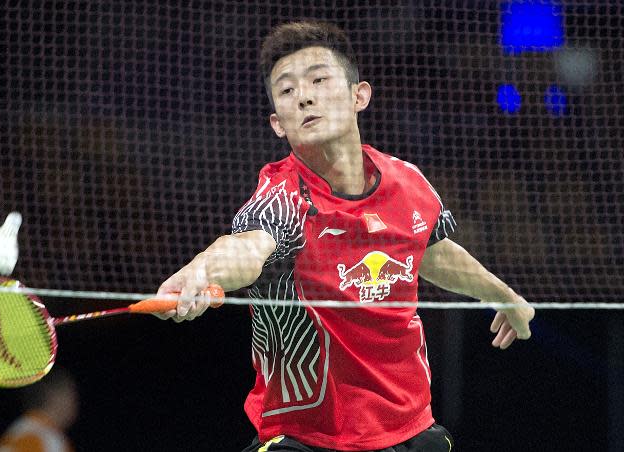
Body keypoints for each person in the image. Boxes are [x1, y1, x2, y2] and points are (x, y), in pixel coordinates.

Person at [155, 20, 535, 451]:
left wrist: (501, 293)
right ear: (278, 124)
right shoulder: (282, 197)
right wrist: (200, 272)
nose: (305, 96)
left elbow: (430, 251)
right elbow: (246, 247)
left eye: (319, 79)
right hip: (308, 439)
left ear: (360, 96)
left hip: (411, 431)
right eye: (287, 91)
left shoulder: (408, 183)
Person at [0, 368, 78, 452]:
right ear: (56, 398)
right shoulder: (49, 440)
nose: (75, 404)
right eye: (72, 396)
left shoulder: (19, 430)